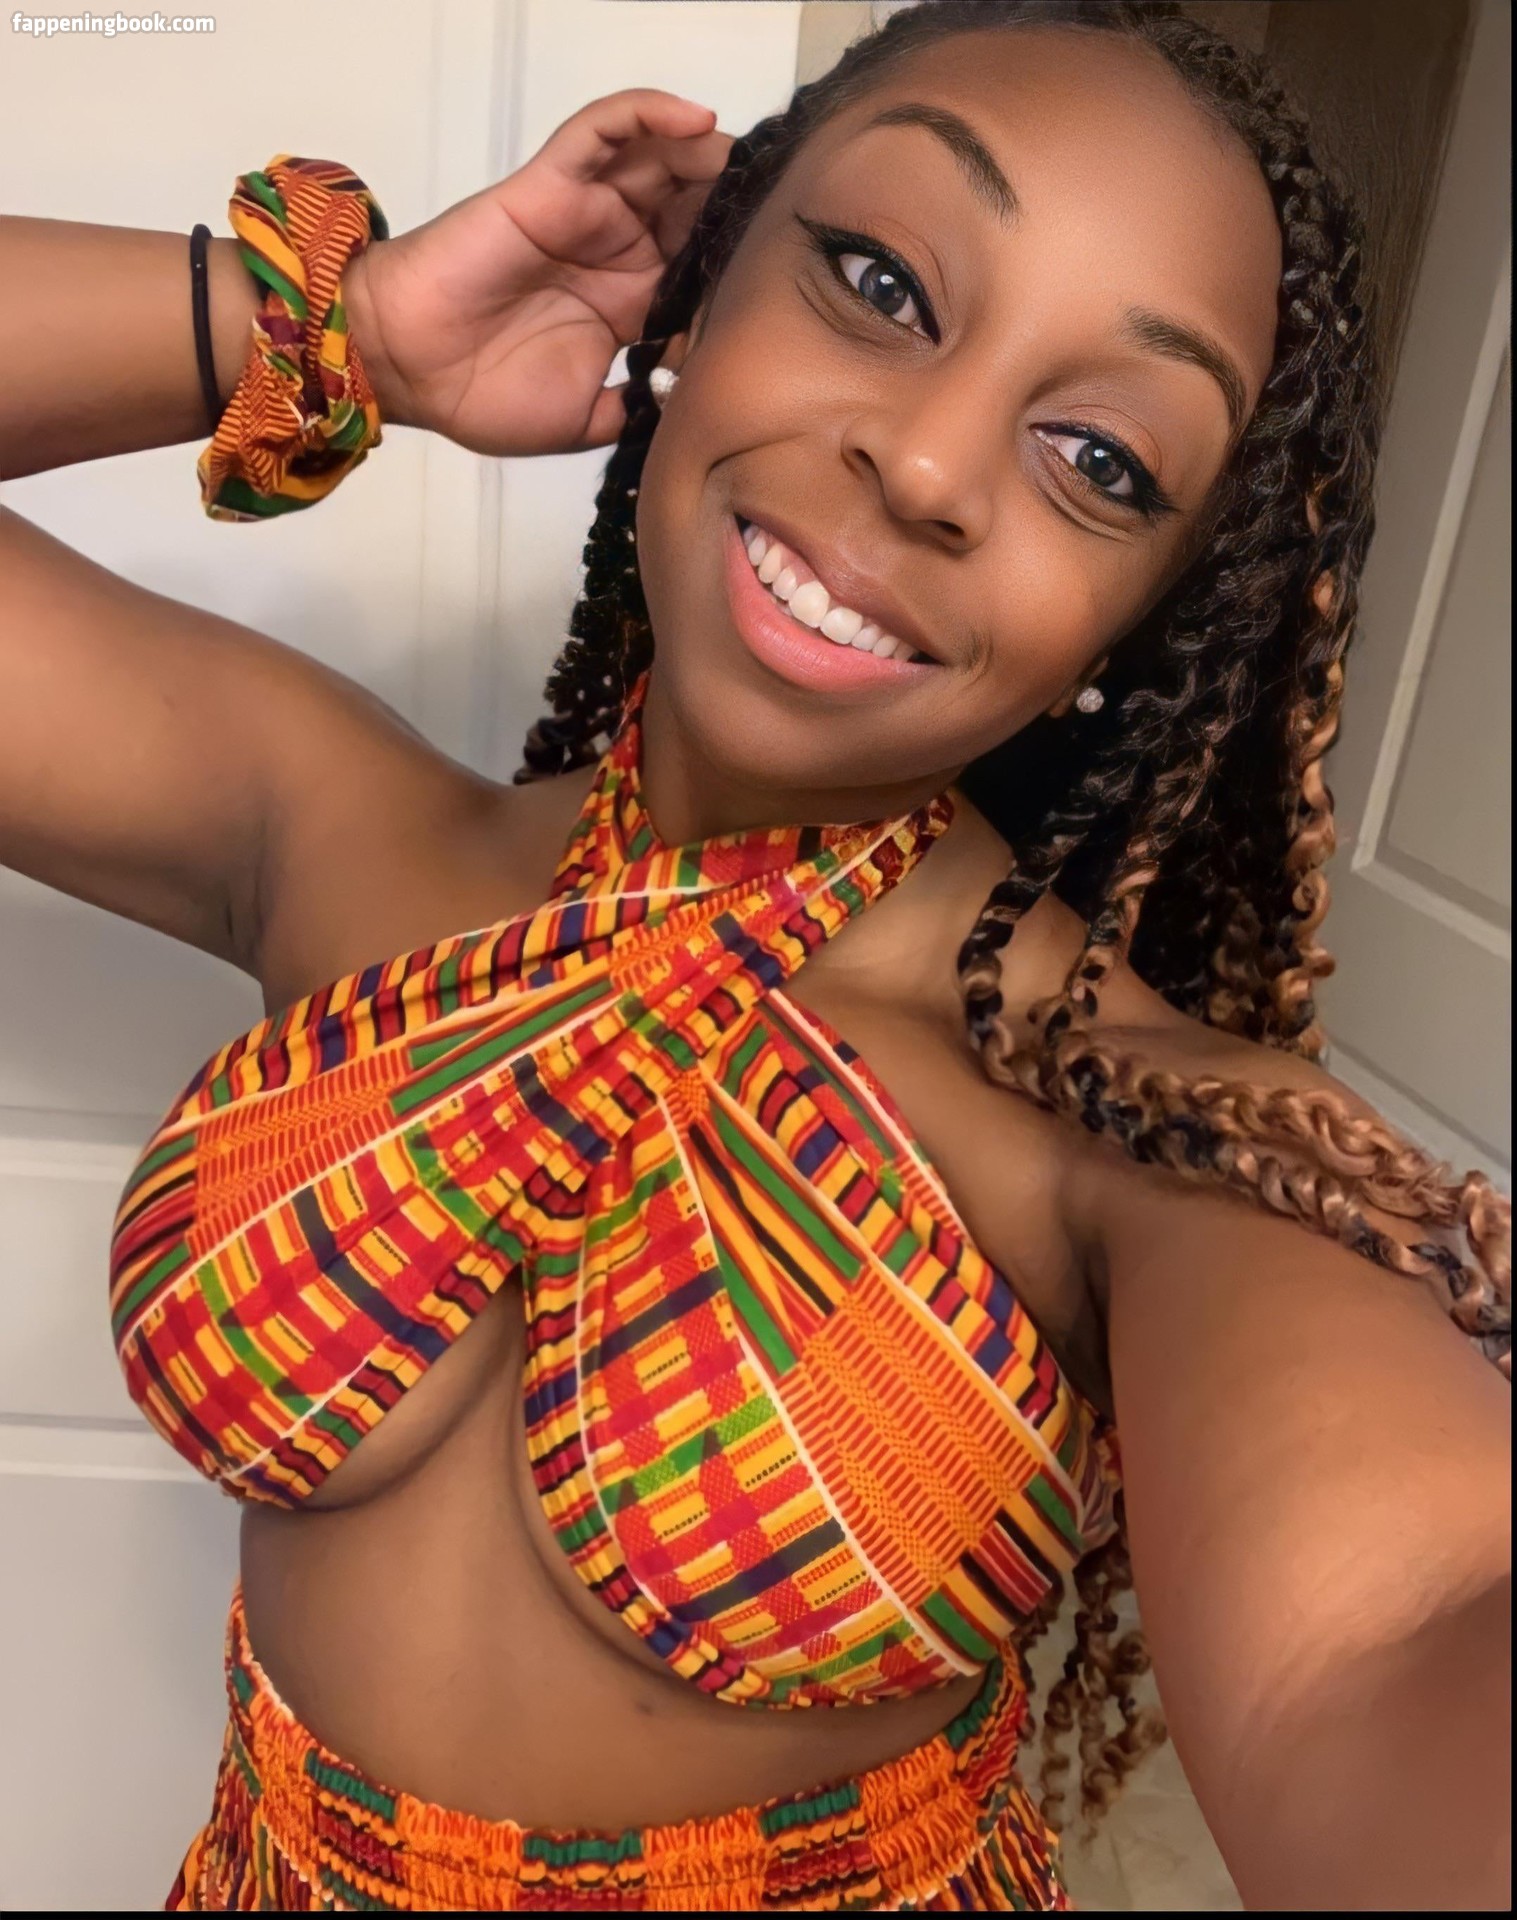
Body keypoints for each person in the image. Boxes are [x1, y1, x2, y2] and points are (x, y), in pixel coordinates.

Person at [1, 1, 1509, 1909]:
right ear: (696, 300)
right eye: (879, 283)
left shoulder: (1129, 1137)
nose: (929, 463)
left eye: (1098, 458)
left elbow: (1396, 1636)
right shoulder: (338, 838)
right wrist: (349, 332)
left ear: (1142, 614)